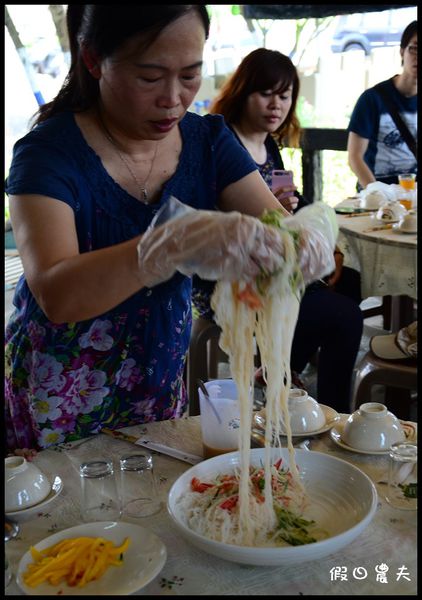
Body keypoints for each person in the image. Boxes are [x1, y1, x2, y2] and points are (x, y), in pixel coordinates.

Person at [4, 6, 336, 452]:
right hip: (59, 384)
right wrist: (169, 244)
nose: (173, 99)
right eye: (150, 77)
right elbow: (56, 294)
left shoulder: (209, 141)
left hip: (158, 371)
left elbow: (274, 225)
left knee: (149, 506)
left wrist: (304, 240)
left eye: (190, 75)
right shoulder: (47, 154)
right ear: (92, 59)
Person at [193, 48, 363, 413]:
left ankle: (280, 368)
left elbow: (282, 205)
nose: (277, 105)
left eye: (285, 96)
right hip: (230, 277)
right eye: (266, 93)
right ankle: (333, 414)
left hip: (271, 264)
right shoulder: (224, 144)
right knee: (345, 317)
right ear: (242, 91)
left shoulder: (269, 145)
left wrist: (289, 208)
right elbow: (215, 218)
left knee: (349, 280)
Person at [347, 20, 417, 189]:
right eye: (414, 48)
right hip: (378, 194)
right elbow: (355, 157)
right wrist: (378, 194)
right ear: (402, 52)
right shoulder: (372, 99)